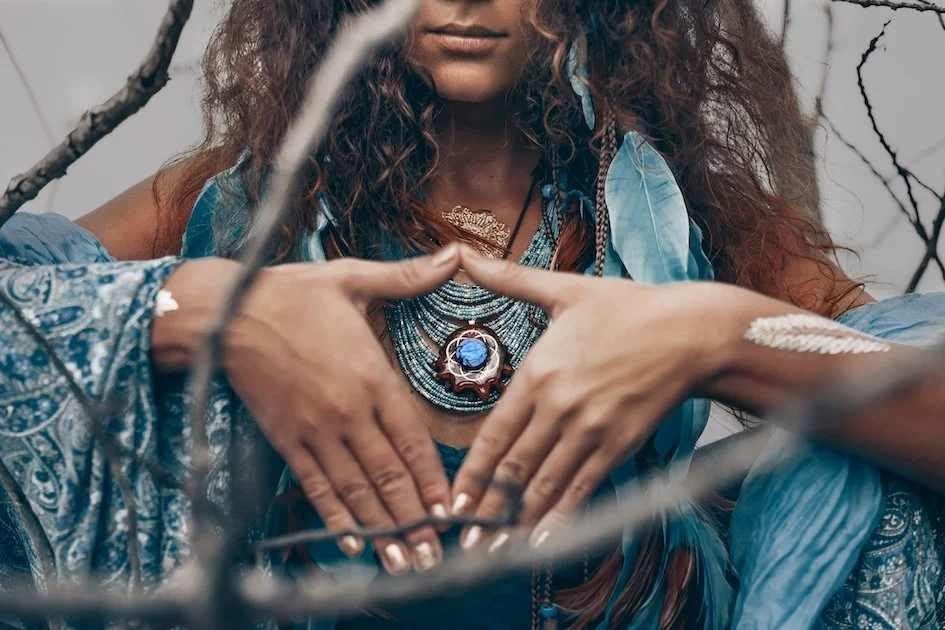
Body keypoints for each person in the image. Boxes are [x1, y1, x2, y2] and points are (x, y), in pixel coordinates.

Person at [1, 0, 943, 627]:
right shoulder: (242, 205)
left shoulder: (678, 210)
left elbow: (916, 394)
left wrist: (710, 334)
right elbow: (25, 315)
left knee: (875, 452)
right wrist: (204, 308)